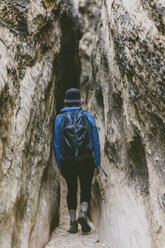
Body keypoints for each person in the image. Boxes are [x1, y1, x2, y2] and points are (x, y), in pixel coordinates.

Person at [54, 88, 101, 233]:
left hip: (68, 161)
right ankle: (83, 213)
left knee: (71, 189)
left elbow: (57, 143)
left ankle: (73, 223)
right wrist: (97, 162)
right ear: (80, 101)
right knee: (86, 187)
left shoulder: (59, 118)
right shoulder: (88, 117)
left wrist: (60, 164)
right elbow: (96, 141)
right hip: (86, 159)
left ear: (66, 102)